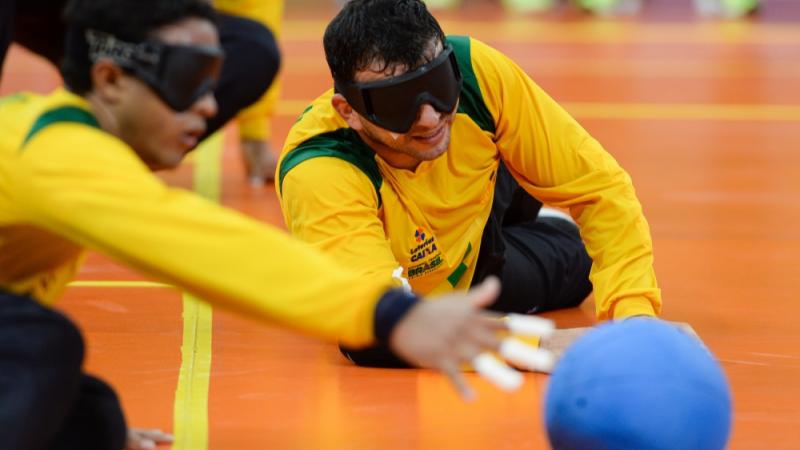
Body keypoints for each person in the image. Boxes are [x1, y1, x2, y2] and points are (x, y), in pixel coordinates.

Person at [0, 1, 545, 449]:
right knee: (42, 346)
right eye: (188, 79)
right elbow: (205, 247)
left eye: (213, 78)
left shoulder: (57, 140)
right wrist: (388, 315)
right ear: (110, 78)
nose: (210, 104)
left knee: (90, 418)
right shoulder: (57, 154)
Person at [276, 0, 662, 367]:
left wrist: (634, 323)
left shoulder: (477, 73)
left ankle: (516, 191)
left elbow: (599, 187)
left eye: (438, 84)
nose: (428, 118)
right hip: (454, 271)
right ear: (350, 111)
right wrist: (532, 348)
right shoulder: (320, 169)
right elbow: (375, 318)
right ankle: (531, 215)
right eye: (397, 102)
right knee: (577, 263)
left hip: (480, 186)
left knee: (596, 245)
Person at [0, 0, 280, 143]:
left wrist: (254, 131)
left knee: (254, 47)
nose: (207, 106)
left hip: (132, 20)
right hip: (46, 12)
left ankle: (125, 151)